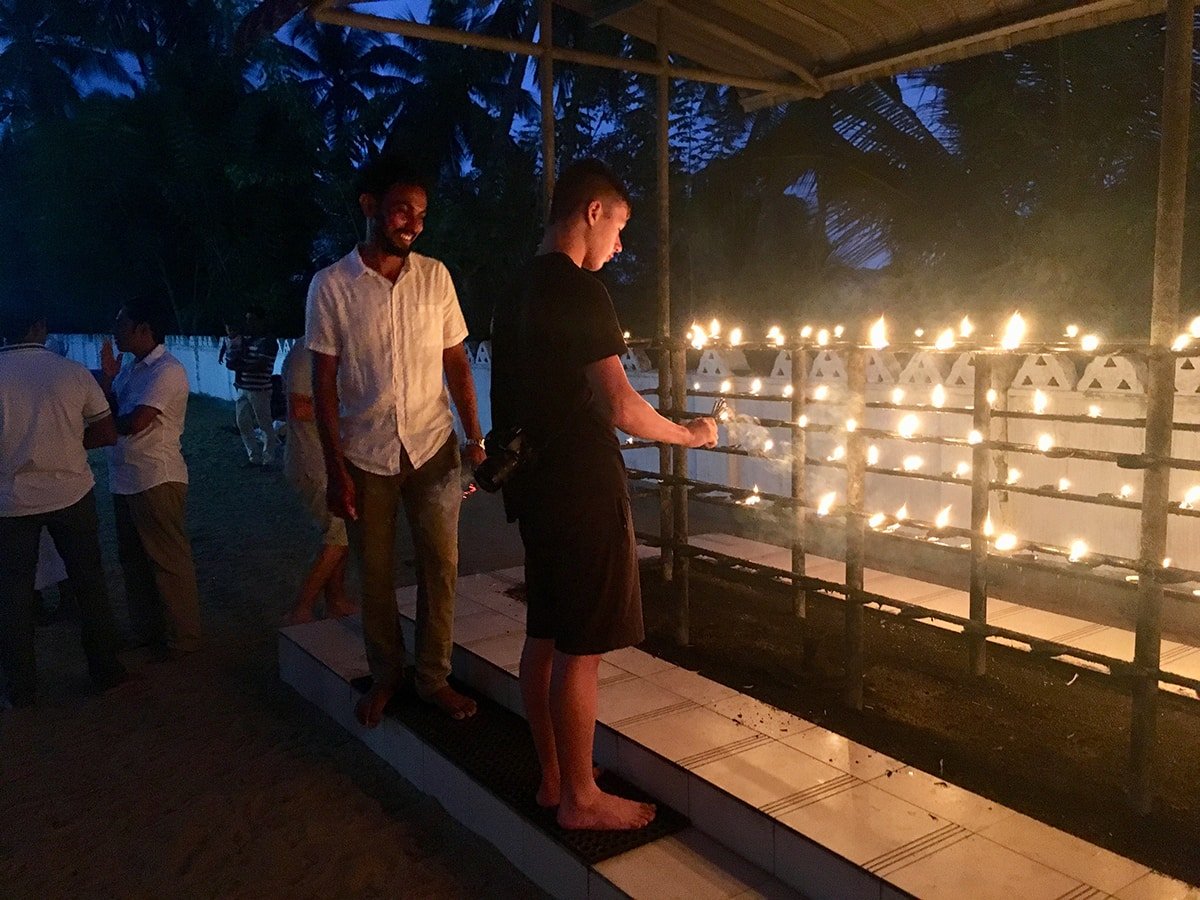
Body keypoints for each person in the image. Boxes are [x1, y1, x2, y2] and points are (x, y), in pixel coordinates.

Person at [490, 159, 717, 831]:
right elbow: (618, 404)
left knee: (546, 631)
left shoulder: (517, 289)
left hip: (534, 488)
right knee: (580, 648)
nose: (619, 247)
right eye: (619, 227)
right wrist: (687, 435)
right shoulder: (579, 289)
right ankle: (582, 799)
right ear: (592, 212)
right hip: (580, 486)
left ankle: (554, 778)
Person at [306, 154, 487, 727]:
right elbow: (324, 386)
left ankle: (433, 677)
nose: (414, 224)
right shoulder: (332, 286)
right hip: (366, 456)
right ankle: (387, 675)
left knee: (442, 567)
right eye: (402, 210)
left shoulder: (435, 278)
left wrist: (475, 438)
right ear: (369, 207)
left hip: (434, 449)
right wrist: (335, 472)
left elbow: (456, 363)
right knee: (376, 577)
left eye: (422, 214)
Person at [0, 297, 128, 706]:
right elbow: (107, 432)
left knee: (13, 595)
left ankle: (21, 689)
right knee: (89, 584)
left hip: (10, 500)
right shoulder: (71, 373)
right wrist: (67, 447)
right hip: (72, 493)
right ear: (40, 326)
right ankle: (106, 673)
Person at [99, 295, 202, 659]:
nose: (115, 332)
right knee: (135, 562)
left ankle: (183, 638)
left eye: (121, 325)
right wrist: (110, 382)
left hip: (156, 477)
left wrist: (102, 427)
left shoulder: (167, 370)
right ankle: (148, 632)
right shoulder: (132, 369)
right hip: (126, 476)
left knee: (167, 560)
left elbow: (135, 423)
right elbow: (115, 415)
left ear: (144, 329)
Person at [280, 341, 356, 624]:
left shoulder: (320, 351)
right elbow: (300, 407)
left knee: (339, 532)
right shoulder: (306, 354)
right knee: (340, 534)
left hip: (325, 462)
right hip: (313, 462)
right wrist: (348, 411)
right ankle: (302, 607)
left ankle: (335, 600)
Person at [224, 306, 280, 467]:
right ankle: (254, 457)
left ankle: (268, 459)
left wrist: (237, 368)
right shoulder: (248, 340)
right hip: (245, 387)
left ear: (261, 321)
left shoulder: (268, 342)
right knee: (243, 423)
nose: (249, 323)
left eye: (252, 319)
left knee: (264, 425)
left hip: (260, 389)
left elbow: (260, 365)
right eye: (248, 319)